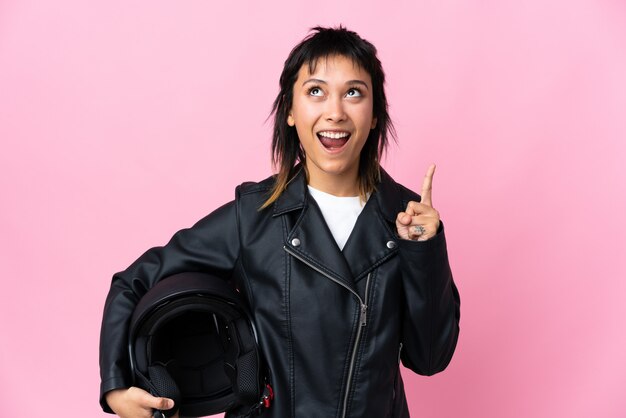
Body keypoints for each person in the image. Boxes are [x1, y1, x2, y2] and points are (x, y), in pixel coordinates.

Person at [100, 26, 460, 418]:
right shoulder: (253, 217)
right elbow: (132, 282)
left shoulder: (407, 218)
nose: (335, 111)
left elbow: (430, 359)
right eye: (316, 91)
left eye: (354, 92)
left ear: (374, 115)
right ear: (290, 111)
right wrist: (116, 387)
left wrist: (424, 250)